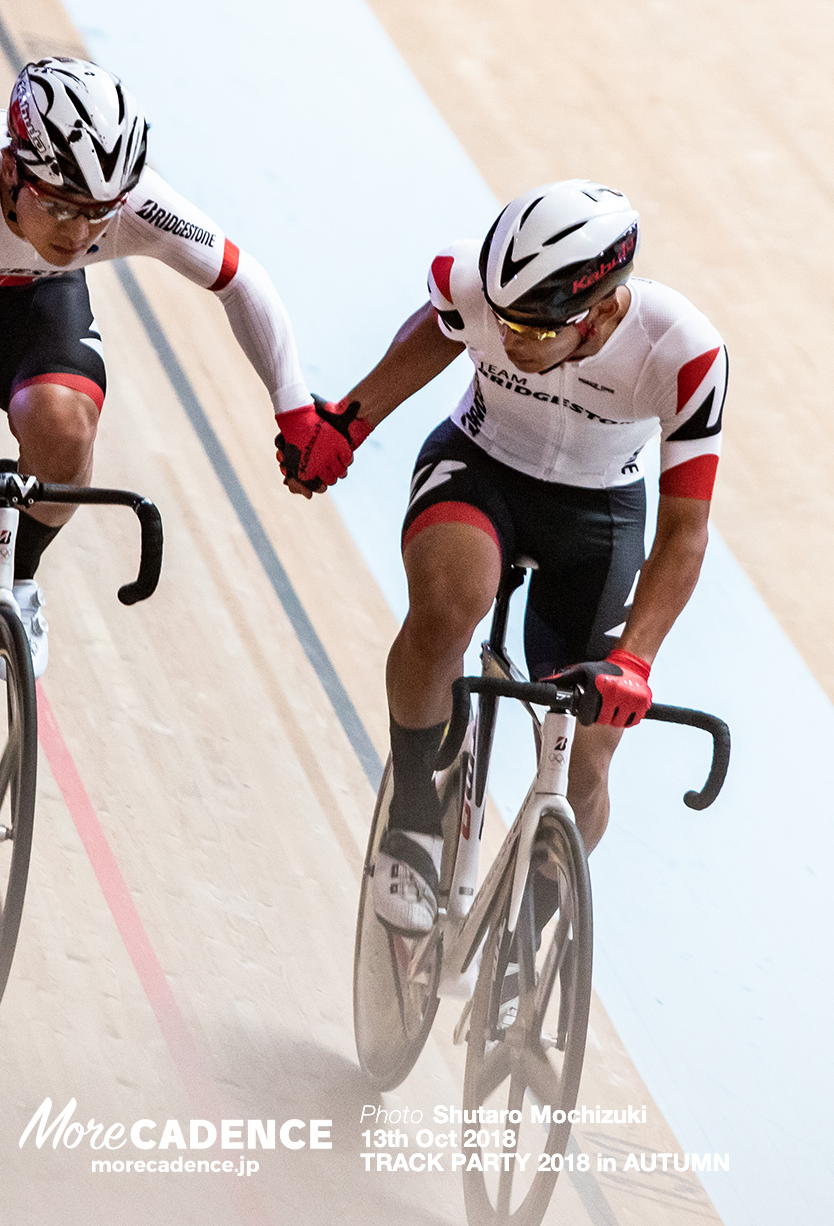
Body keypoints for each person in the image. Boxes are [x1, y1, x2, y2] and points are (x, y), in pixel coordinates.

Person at [0, 57, 351, 880]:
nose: (79, 231)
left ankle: (21, 579)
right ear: (13, 173)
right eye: (57, 205)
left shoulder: (116, 205)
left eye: (97, 215)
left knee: (62, 422)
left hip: (35, 303)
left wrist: (296, 410)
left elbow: (241, 279)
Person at [280, 180, 728, 932]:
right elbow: (435, 331)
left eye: (537, 330)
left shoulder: (682, 351)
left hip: (600, 516)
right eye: (504, 320)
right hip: (480, 467)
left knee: (589, 756)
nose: (512, 342)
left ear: (607, 309)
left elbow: (685, 530)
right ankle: (414, 815)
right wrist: (348, 423)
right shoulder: (476, 289)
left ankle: (525, 941)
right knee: (451, 603)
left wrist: (636, 663)